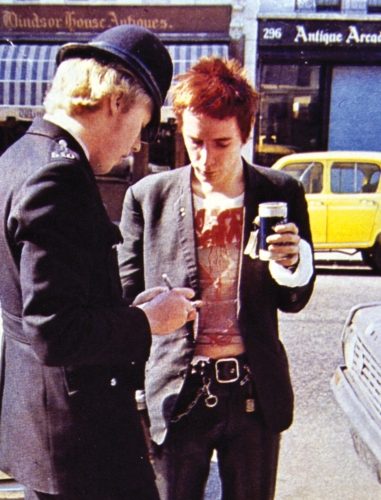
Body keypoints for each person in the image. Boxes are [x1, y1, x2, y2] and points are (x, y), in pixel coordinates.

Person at [0, 25, 199, 500]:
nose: (138, 144)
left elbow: (48, 297)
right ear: (117, 103)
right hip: (82, 449)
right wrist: (146, 321)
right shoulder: (59, 177)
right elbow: (54, 330)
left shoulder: (19, 157)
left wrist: (125, 308)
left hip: (44, 431)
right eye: (143, 124)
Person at [118, 56, 316, 500]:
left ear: (245, 134)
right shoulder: (149, 198)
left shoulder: (279, 193)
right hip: (177, 390)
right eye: (195, 143)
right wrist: (133, 398)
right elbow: (125, 301)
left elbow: (295, 299)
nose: (207, 158)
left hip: (254, 391)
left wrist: (292, 263)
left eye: (222, 143)